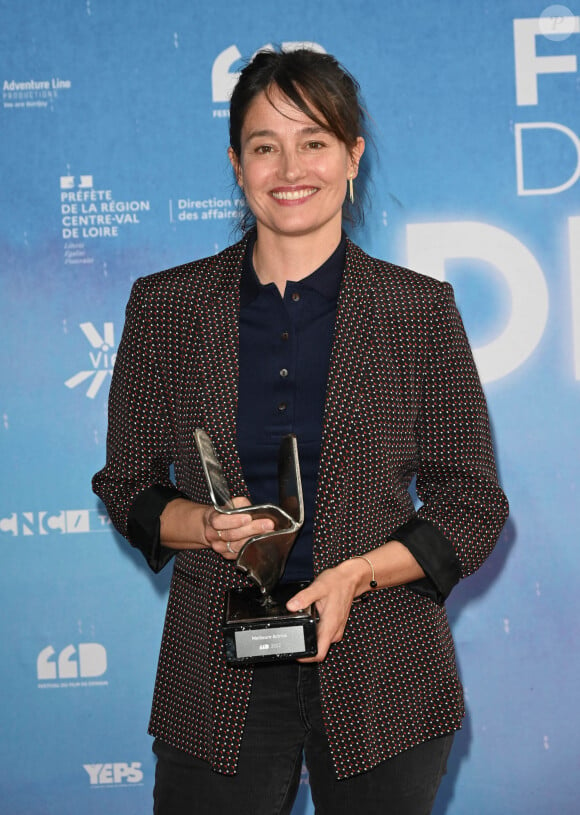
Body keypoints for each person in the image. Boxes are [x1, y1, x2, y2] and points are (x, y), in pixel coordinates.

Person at [93, 47, 508, 815]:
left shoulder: (418, 310)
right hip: (215, 675)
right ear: (236, 162)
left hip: (384, 665)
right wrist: (206, 526)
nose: (291, 167)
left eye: (314, 141)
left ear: (352, 156)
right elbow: (128, 486)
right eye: (264, 145)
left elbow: (472, 503)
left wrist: (358, 574)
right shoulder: (167, 308)